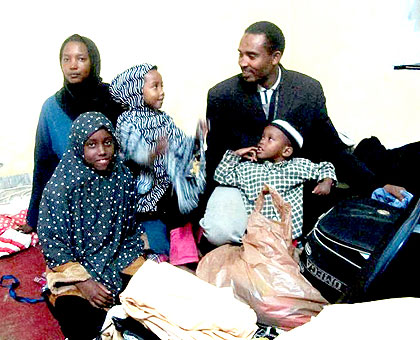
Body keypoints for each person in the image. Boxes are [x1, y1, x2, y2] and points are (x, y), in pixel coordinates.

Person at [204, 21, 405, 237]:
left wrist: (375, 185)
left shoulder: (307, 91)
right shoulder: (221, 95)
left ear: (275, 57)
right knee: (219, 232)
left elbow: (332, 147)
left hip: (290, 184)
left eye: (251, 56)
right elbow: (215, 155)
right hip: (241, 182)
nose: (242, 62)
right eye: (240, 54)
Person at [37, 112, 144, 340]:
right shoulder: (60, 187)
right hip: (73, 269)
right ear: (78, 147)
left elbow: (128, 231)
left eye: (107, 142)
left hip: (118, 258)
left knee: (151, 301)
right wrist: (85, 283)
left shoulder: (121, 177)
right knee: (78, 319)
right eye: (91, 144)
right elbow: (52, 245)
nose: (102, 151)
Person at [17, 34, 123, 233]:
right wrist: (33, 218)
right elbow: (43, 164)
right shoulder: (51, 108)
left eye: (81, 59)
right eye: (66, 59)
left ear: (93, 61)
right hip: (73, 201)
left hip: (114, 196)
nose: (73, 65)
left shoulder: (113, 99)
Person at [109, 64, 206, 263]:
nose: (161, 92)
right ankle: (182, 250)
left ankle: (190, 240)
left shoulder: (164, 119)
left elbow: (181, 144)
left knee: (195, 186)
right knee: (174, 201)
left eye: (162, 86)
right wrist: (152, 153)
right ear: (136, 91)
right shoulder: (126, 121)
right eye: (155, 86)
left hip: (168, 181)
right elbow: (135, 153)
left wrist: (197, 139)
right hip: (146, 189)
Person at [201, 119, 336, 245]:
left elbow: (324, 167)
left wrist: (326, 181)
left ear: (286, 151)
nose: (262, 142)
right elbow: (221, 176)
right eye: (262, 137)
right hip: (256, 236)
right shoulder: (248, 169)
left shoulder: (297, 166)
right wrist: (236, 155)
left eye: (270, 139)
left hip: (286, 238)